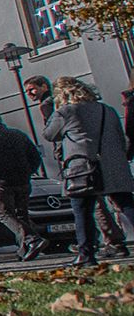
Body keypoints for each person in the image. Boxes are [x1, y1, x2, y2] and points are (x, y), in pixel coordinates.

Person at [41, 76, 134, 265]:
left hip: (83, 167)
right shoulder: (106, 110)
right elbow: (121, 137)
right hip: (113, 165)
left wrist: (51, 111)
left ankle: (86, 254)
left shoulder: (66, 112)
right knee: (127, 205)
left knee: (82, 211)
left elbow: (49, 135)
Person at [0, 110, 48, 261]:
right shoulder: (17, 134)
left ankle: (32, 239)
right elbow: (35, 156)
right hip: (22, 180)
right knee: (21, 215)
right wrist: (28, 172)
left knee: (4, 214)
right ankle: (24, 250)